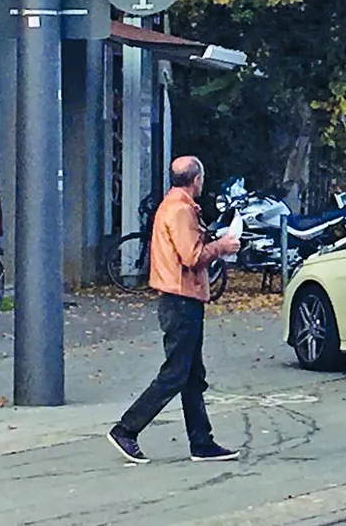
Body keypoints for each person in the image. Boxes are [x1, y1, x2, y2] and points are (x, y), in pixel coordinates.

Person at [109, 156, 242, 465]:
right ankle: (126, 429)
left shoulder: (174, 206)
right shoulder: (181, 210)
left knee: (192, 376)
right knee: (175, 374)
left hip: (182, 299)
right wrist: (222, 246)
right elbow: (191, 256)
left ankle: (202, 442)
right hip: (181, 299)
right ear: (196, 180)